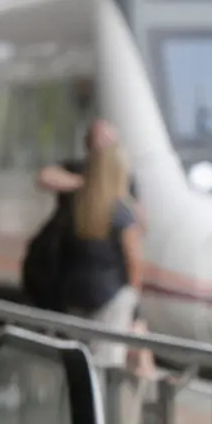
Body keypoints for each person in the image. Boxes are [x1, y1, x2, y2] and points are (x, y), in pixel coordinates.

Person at [61, 142, 143, 369]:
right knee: (107, 362)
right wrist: (136, 313)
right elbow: (134, 263)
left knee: (78, 359)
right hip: (110, 298)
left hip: (77, 296)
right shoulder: (121, 211)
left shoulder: (80, 208)